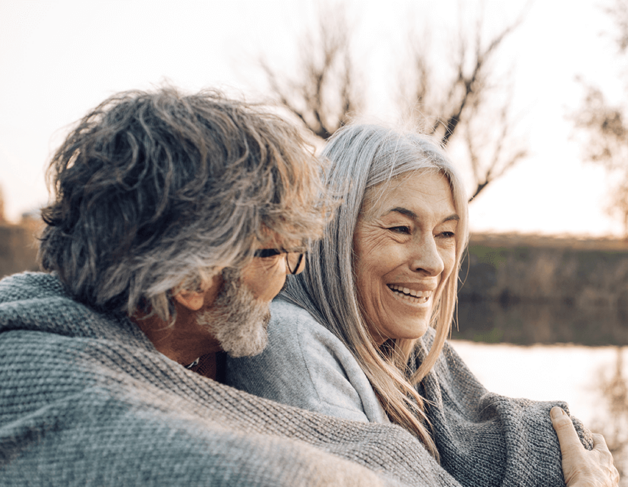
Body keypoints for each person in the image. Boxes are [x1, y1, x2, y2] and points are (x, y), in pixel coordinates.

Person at [0, 88, 474, 486]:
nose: (291, 274)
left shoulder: (188, 355)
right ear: (191, 279)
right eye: (274, 253)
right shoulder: (92, 412)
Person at [225, 124, 620, 487]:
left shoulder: (407, 351)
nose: (432, 262)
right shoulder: (292, 343)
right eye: (401, 229)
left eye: (446, 233)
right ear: (333, 235)